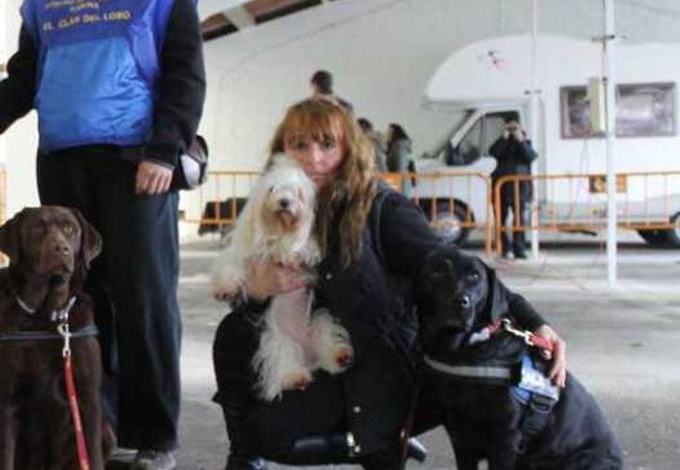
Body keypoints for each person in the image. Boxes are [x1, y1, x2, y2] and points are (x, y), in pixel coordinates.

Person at [0, 0, 205, 467]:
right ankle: (99, 428)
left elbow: (185, 75)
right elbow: (24, 79)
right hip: (63, 164)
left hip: (136, 164)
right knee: (79, 302)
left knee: (144, 299)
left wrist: (164, 150)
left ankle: (153, 435)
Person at [212, 98, 568, 469]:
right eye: (300, 145)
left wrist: (533, 323)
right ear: (283, 150)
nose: (313, 158)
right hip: (317, 350)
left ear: (348, 149)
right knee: (233, 333)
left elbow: (456, 269)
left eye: (326, 145)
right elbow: (254, 306)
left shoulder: (381, 209)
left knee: (274, 435)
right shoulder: (276, 206)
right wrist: (258, 288)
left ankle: (382, 440)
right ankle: (244, 458)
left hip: (380, 364)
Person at [489, 115, 538, 260]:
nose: (512, 129)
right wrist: (504, 137)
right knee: (501, 218)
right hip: (501, 186)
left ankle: (519, 249)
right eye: (509, 126)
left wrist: (520, 139)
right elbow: (493, 152)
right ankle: (505, 247)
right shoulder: (501, 142)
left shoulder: (525, 141)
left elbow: (531, 156)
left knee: (519, 219)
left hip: (520, 187)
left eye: (514, 126)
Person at [386, 123, 414, 193]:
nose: (387, 135)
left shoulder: (399, 147)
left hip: (400, 183)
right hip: (399, 182)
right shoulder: (395, 147)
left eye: (389, 132)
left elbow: (399, 167)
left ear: (395, 134)